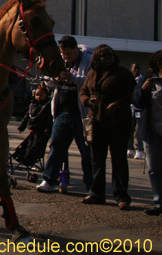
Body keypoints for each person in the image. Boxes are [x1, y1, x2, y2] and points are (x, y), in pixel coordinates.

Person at [79, 45, 135, 208]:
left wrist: (118, 103)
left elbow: (133, 94)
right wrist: (88, 101)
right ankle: (97, 194)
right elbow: (83, 91)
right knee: (97, 160)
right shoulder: (92, 74)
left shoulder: (123, 73)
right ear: (97, 58)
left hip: (118, 122)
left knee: (118, 160)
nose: (108, 57)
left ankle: (121, 196)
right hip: (96, 121)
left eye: (110, 54)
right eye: (104, 55)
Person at [36, 35, 94, 194]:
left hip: (84, 114)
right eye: (64, 54)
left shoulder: (88, 59)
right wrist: (52, 78)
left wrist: (72, 77)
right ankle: (49, 180)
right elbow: (49, 81)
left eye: (69, 53)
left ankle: (92, 186)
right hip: (62, 111)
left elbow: (90, 81)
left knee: (87, 151)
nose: (66, 57)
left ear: (76, 49)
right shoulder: (61, 60)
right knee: (56, 146)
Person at [132, 50, 162, 216]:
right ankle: (159, 202)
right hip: (153, 131)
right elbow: (136, 101)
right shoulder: (147, 79)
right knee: (154, 169)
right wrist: (144, 89)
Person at [129, 63, 146, 160]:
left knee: (139, 130)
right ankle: (130, 149)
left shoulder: (143, 79)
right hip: (131, 108)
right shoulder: (129, 78)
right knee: (130, 129)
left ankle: (139, 149)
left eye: (137, 69)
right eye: (133, 68)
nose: (135, 71)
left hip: (140, 109)